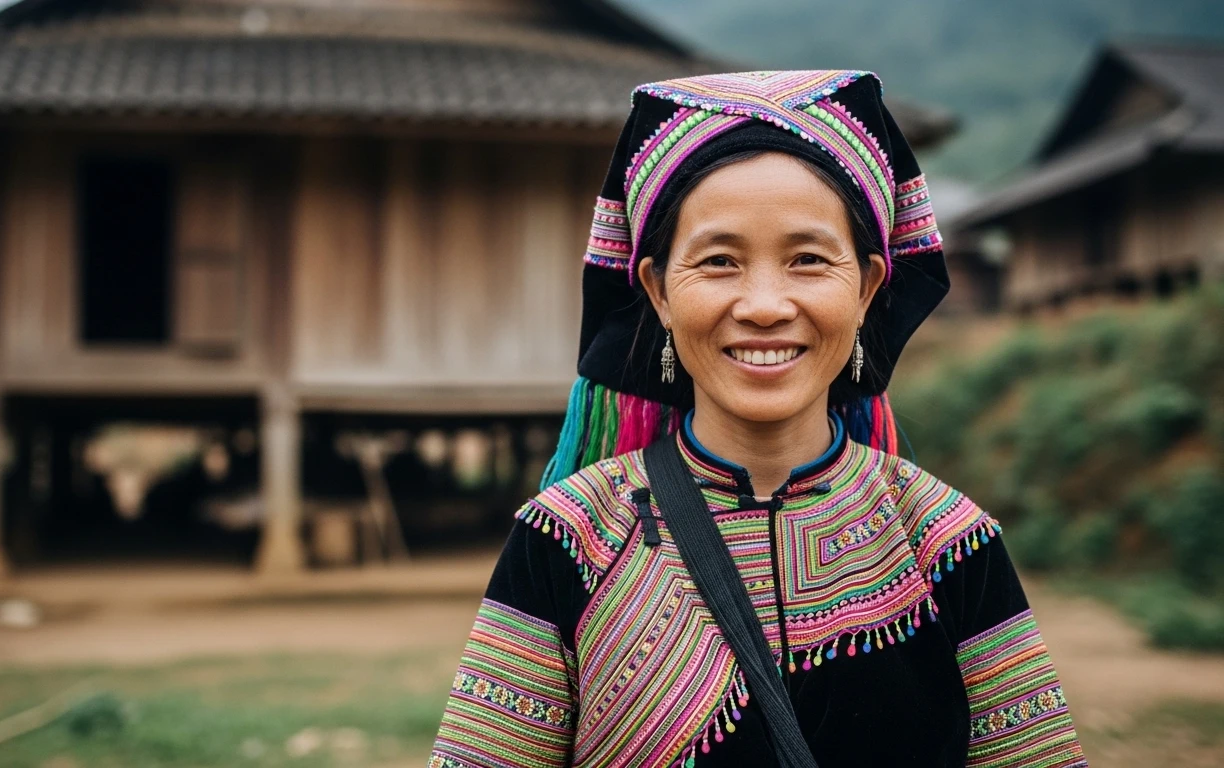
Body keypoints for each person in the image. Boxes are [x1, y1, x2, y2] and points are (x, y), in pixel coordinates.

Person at [428, 70, 1086, 768]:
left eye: (807, 259)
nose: (765, 304)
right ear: (657, 291)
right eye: (719, 261)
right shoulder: (569, 539)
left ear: (867, 286)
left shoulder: (946, 542)